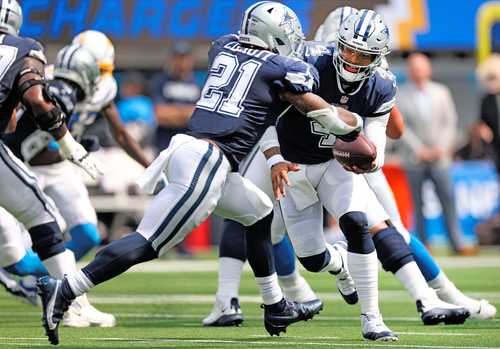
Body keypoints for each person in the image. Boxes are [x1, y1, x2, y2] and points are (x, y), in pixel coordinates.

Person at [37, 2, 362, 345]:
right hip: (209, 160)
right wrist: (350, 130)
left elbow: (261, 89)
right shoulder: (283, 67)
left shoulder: (223, 45)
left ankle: (275, 304)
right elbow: (304, 100)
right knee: (148, 242)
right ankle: (65, 288)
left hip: (197, 153)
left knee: (259, 212)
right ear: (275, 35)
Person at [0, 0, 106, 328]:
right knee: (42, 216)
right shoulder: (24, 48)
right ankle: (68, 304)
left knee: (13, 248)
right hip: (27, 163)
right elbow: (36, 100)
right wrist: (68, 142)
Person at [397, 53, 465, 253]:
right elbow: (402, 128)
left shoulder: (441, 92)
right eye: (414, 68)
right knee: (418, 204)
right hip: (414, 159)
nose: (418, 72)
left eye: (421, 68)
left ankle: (457, 242)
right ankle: (423, 245)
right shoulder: (400, 94)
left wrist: (441, 148)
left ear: (428, 70)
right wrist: (419, 149)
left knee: (448, 200)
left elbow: (450, 122)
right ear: (409, 71)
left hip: (440, 158)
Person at [150, 42, 200, 152]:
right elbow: (160, 115)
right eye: (177, 58)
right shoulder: (160, 81)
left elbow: (200, 117)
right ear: (171, 60)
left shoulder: (199, 84)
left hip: (190, 146)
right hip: (164, 145)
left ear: (191, 60)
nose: (181, 62)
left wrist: (174, 111)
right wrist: (187, 113)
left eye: (184, 58)